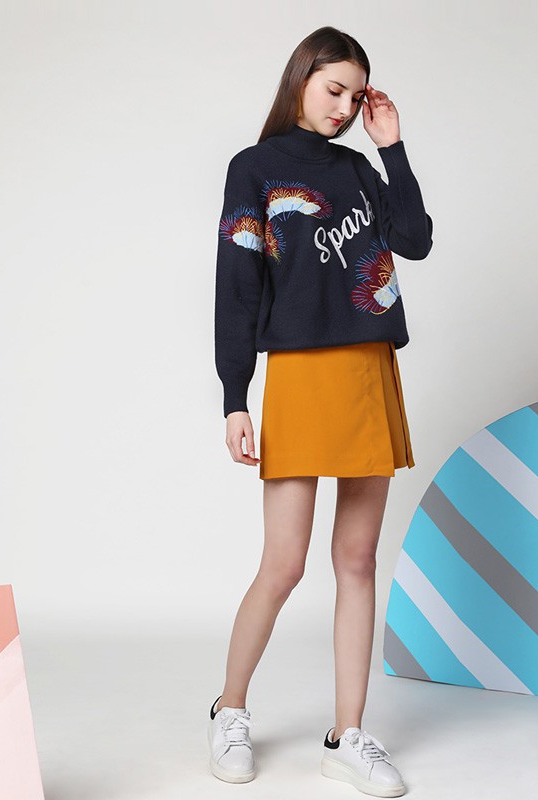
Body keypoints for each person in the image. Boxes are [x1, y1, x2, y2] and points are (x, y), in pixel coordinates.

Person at [209, 25, 433, 798]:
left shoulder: (361, 170)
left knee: (358, 561)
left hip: (368, 369)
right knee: (284, 564)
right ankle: (230, 709)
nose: (343, 107)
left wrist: (392, 148)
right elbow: (237, 286)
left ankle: (349, 734)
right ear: (300, 77)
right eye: (334, 88)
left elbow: (415, 240)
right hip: (300, 373)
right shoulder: (254, 168)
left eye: (355, 94)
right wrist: (235, 396)